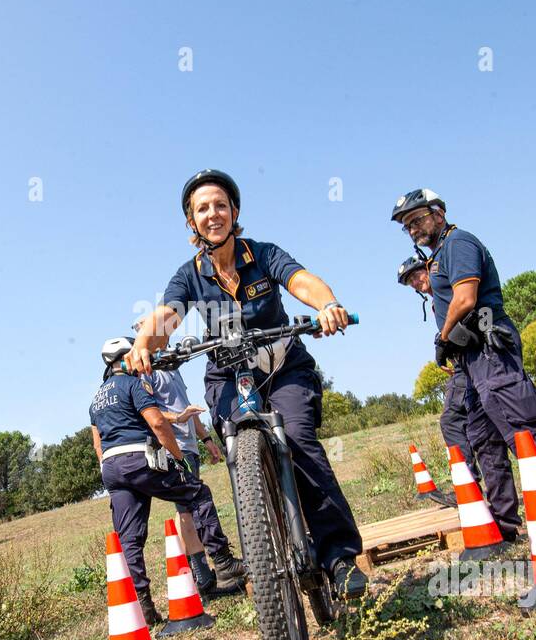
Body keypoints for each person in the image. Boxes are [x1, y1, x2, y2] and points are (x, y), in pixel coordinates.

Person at [127, 169, 366, 598]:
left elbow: (301, 281)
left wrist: (328, 303)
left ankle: (339, 557)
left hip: (283, 368)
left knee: (296, 437)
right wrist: (144, 344)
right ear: (191, 222)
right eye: (202, 209)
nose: (212, 214)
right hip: (227, 376)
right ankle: (264, 546)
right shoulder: (189, 275)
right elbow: (166, 316)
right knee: (241, 450)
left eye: (220, 205)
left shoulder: (263, 253)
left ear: (234, 212)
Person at [391, 188, 536, 522]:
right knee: (485, 442)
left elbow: (465, 299)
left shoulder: (458, 244)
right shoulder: (439, 255)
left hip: (490, 353)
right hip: (472, 361)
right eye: (407, 226)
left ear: (439, 214)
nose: (414, 229)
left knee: (526, 435)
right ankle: (504, 525)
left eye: (417, 219)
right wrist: (450, 345)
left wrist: (444, 337)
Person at [89, 337, 245, 627]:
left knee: (130, 538)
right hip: (139, 459)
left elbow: (98, 444)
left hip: (111, 466)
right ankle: (222, 562)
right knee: (197, 494)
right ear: (125, 358)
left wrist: (110, 471)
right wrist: (178, 459)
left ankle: (144, 608)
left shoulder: (96, 398)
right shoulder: (133, 385)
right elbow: (157, 422)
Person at [397, 256, 521, 535]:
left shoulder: (448, 283)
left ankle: (469, 486)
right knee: (479, 432)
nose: (417, 282)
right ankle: (481, 494)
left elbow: (471, 308)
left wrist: (444, 340)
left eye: (417, 275)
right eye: (411, 283)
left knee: (463, 421)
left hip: (477, 357)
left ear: (427, 268)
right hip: (463, 361)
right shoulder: (437, 298)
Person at [149, 363, 243, 600]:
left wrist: (207, 439)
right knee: (187, 513)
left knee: (189, 512)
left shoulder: (171, 367)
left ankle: (203, 579)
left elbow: (187, 411)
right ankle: (202, 580)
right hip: (174, 448)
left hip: (189, 448)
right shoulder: (147, 371)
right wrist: (178, 418)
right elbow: (151, 412)